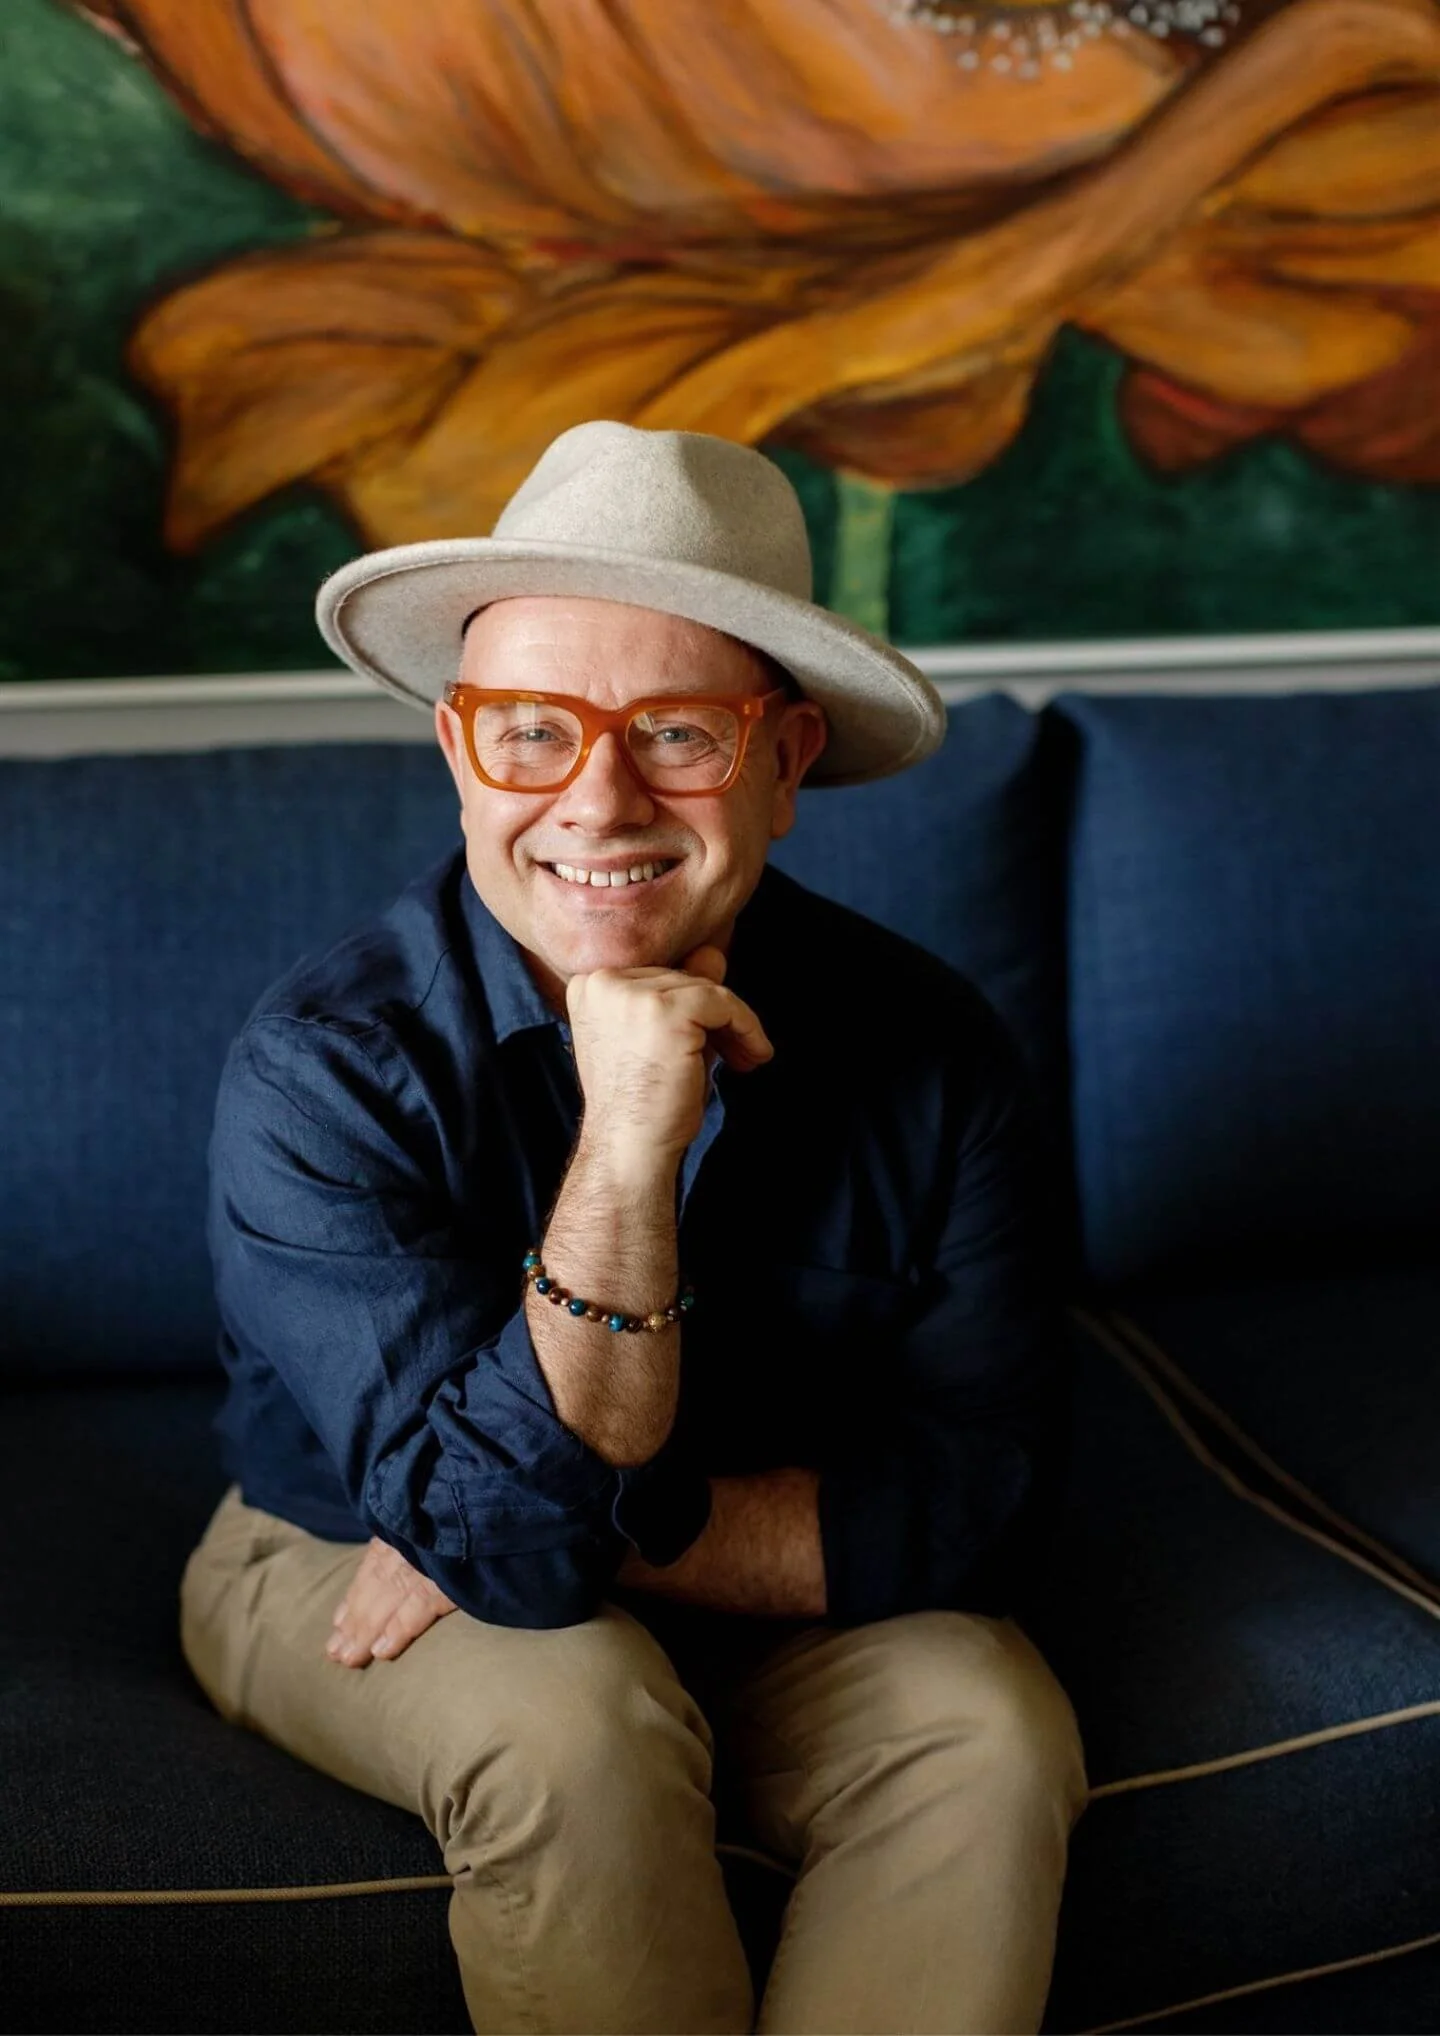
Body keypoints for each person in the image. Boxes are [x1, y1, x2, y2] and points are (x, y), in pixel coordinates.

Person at [181, 420, 1089, 2036]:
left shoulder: (935, 1050)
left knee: (990, 1725)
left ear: (785, 762)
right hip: (332, 1556)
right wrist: (625, 1140)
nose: (595, 803)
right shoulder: (324, 1068)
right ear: (459, 749)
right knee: (579, 1720)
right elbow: (502, 1564)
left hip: (603, 1562)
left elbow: (989, 1507)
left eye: (675, 732)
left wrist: (594, 1521)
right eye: (531, 731)